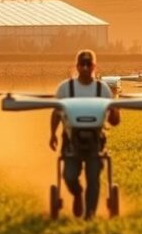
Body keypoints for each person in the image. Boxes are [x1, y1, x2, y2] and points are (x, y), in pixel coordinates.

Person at [49, 49, 120, 220]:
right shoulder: (66, 88)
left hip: (96, 140)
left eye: (89, 64)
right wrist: (52, 134)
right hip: (71, 139)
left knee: (93, 178)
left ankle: (90, 215)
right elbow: (56, 112)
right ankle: (77, 193)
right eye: (83, 64)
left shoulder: (102, 89)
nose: (86, 68)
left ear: (95, 66)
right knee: (70, 176)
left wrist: (115, 106)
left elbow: (114, 121)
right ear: (77, 66)